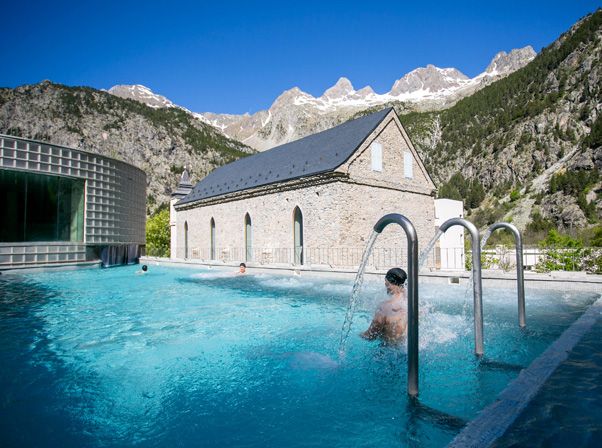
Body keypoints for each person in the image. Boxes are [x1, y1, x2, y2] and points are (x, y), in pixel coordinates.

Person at [361, 267, 408, 344]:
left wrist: (358, 335)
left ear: (387, 283)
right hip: (408, 352)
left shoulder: (384, 308)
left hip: (388, 352)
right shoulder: (413, 304)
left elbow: (370, 336)